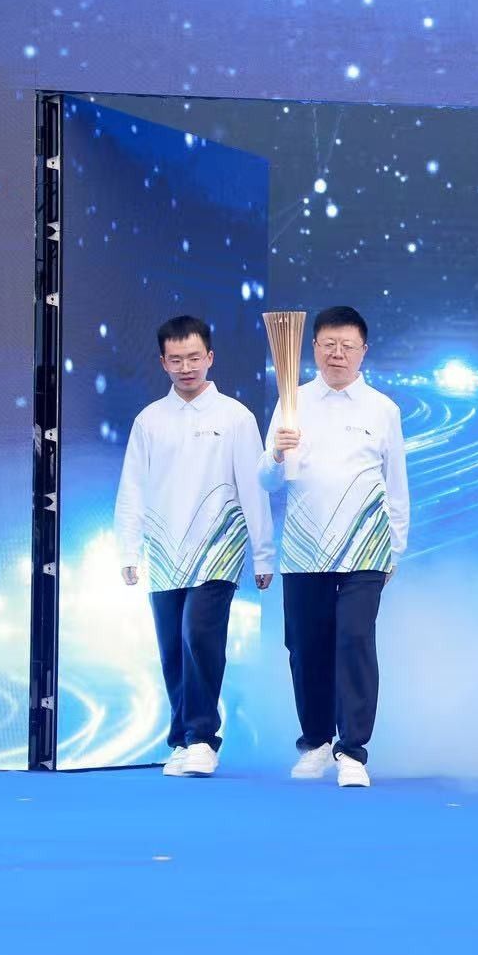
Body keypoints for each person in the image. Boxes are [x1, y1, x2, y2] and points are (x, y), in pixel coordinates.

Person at [114, 314, 275, 778]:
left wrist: (263, 552)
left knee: (198, 635)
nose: (186, 367)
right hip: (165, 548)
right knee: (171, 647)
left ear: (210, 357)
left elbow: (253, 487)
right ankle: (182, 739)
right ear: (163, 362)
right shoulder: (149, 420)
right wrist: (128, 550)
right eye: (176, 359)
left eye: (194, 357)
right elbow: (132, 488)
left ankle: (202, 738)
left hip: (218, 546)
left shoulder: (235, 417)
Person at [259, 305, 409, 787]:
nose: (337, 354)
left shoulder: (382, 409)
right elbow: (266, 480)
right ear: (314, 348)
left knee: (355, 640)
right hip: (305, 550)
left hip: (366, 548)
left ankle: (353, 750)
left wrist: (395, 547)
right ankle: (316, 742)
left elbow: (396, 484)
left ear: (363, 351)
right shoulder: (292, 401)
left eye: (347, 346)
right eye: (328, 345)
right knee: (305, 647)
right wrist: (277, 453)